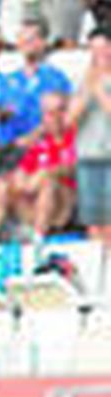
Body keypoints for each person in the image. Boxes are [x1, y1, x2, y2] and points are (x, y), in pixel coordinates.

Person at [0, 90, 78, 241]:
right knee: (2, 183)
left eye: (60, 111)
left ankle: (38, 239)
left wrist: (48, 173)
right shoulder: (40, 143)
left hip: (65, 202)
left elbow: (76, 168)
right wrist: (22, 181)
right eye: (49, 113)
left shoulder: (77, 137)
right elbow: (22, 172)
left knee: (48, 182)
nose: (55, 118)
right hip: (33, 201)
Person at [0, 19, 75, 172]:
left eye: (31, 39)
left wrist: (33, 136)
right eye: (22, 39)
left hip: (43, 147)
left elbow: (64, 116)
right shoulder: (6, 80)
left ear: (43, 42)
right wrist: (0, 114)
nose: (26, 43)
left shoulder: (56, 78)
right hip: (8, 149)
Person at [70, 28, 111, 283]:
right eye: (94, 50)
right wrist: (87, 91)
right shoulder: (83, 80)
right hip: (88, 155)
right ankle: (97, 274)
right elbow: (69, 120)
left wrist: (99, 91)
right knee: (93, 219)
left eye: (104, 48)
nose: (100, 55)